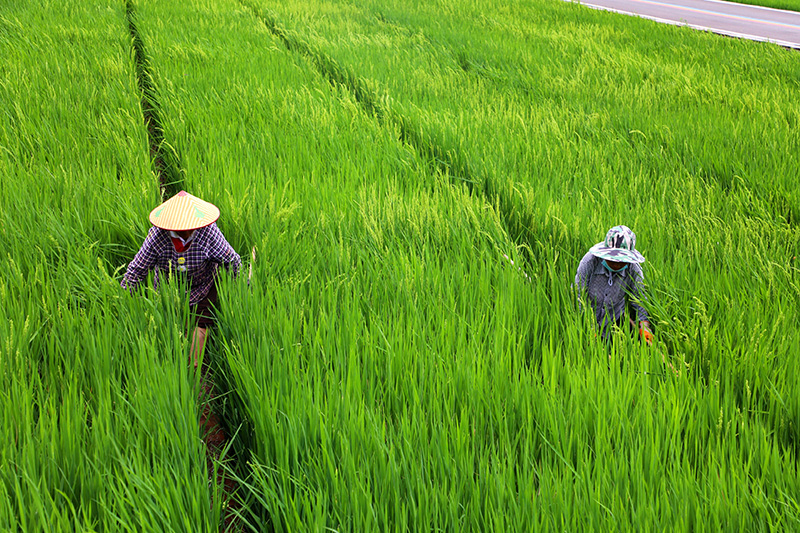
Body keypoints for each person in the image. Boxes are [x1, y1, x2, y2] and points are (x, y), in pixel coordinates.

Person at [122, 190, 241, 363]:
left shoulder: (207, 231)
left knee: (201, 326)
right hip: (168, 289)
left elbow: (232, 260)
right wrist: (124, 298)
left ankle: (193, 369)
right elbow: (137, 269)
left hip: (203, 286)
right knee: (170, 325)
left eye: (190, 227)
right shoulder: (157, 236)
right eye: (181, 229)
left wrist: (242, 288)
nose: (186, 231)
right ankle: (172, 363)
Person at [574, 225, 653, 344]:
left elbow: (639, 299)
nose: (617, 264)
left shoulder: (634, 269)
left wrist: (644, 327)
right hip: (588, 318)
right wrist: (589, 328)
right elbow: (578, 294)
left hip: (615, 319)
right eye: (612, 259)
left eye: (621, 260)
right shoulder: (590, 261)